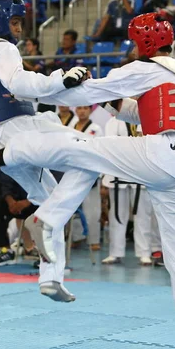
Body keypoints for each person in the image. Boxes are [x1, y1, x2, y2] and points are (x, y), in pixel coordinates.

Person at [0, 13, 175, 349]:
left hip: (162, 153)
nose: (132, 48)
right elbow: (139, 112)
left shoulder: (145, 69)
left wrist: (51, 85)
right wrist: (109, 101)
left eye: (134, 42)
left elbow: (85, 92)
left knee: (83, 148)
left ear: (143, 43)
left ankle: (9, 155)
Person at [0, 0, 92, 303]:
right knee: (90, 153)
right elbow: (20, 83)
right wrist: (60, 78)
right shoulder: (0, 48)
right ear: (0, 23)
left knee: (49, 203)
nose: (20, 29)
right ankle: (40, 227)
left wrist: (59, 87)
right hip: (16, 134)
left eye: (21, 22)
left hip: (2, 145)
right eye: (15, 22)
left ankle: (50, 278)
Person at [101, 118, 162, 266]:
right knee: (116, 214)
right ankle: (115, 252)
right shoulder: (113, 122)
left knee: (143, 214)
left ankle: (144, 252)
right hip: (118, 170)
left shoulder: (146, 117)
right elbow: (110, 146)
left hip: (140, 170)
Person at [0, 173, 39, 266]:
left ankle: (47, 255)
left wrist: (28, 202)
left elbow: (49, 188)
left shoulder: (43, 161)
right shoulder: (13, 160)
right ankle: (5, 250)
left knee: (51, 208)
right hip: (16, 202)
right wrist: (10, 201)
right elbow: (6, 184)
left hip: (38, 202)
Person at [69, 105, 103, 250]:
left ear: (90, 110)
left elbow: (101, 150)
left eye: (85, 108)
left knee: (92, 210)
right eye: (79, 108)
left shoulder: (96, 128)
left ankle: (93, 240)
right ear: (76, 110)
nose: (82, 111)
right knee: (73, 207)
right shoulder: (71, 126)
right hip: (73, 171)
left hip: (91, 172)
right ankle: (77, 237)